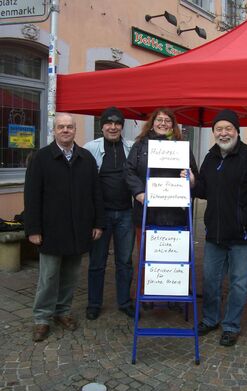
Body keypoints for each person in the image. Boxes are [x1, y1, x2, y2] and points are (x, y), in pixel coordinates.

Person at [191, 109, 247, 346]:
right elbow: (204, 189)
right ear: (214, 132)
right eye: (219, 129)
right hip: (215, 233)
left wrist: (242, 218)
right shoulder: (210, 157)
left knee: (239, 282)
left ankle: (231, 326)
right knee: (210, 279)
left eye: (228, 128)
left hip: (244, 235)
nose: (223, 133)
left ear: (236, 131)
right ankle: (210, 319)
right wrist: (193, 183)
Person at [24, 113, 104, 342]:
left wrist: (98, 222)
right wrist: (33, 229)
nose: (66, 130)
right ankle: (41, 318)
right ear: (55, 130)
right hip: (50, 229)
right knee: (48, 277)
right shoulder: (41, 158)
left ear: (75, 130)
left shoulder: (86, 158)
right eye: (61, 127)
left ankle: (62, 311)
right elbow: (31, 196)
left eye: (69, 127)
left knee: (70, 275)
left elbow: (96, 193)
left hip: (79, 228)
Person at [125, 107, 199, 303]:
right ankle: (147, 296)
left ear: (173, 125)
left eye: (167, 120)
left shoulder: (181, 146)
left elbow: (194, 175)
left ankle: (174, 296)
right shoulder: (140, 145)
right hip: (146, 211)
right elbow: (129, 171)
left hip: (176, 213)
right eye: (159, 120)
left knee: (174, 256)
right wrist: (139, 193)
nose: (163, 123)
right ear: (152, 122)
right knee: (146, 256)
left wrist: (190, 178)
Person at [84, 107, 136, 320]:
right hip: (101, 216)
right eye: (109, 123)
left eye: (117, 123)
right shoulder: (90, 148)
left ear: (122, 126)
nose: (113, 127)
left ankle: (124, 302)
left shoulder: (131, 147)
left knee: (124, 261)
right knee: (97, 262)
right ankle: (94, 304)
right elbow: (84, 183)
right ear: (102, 125)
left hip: (126, 213)